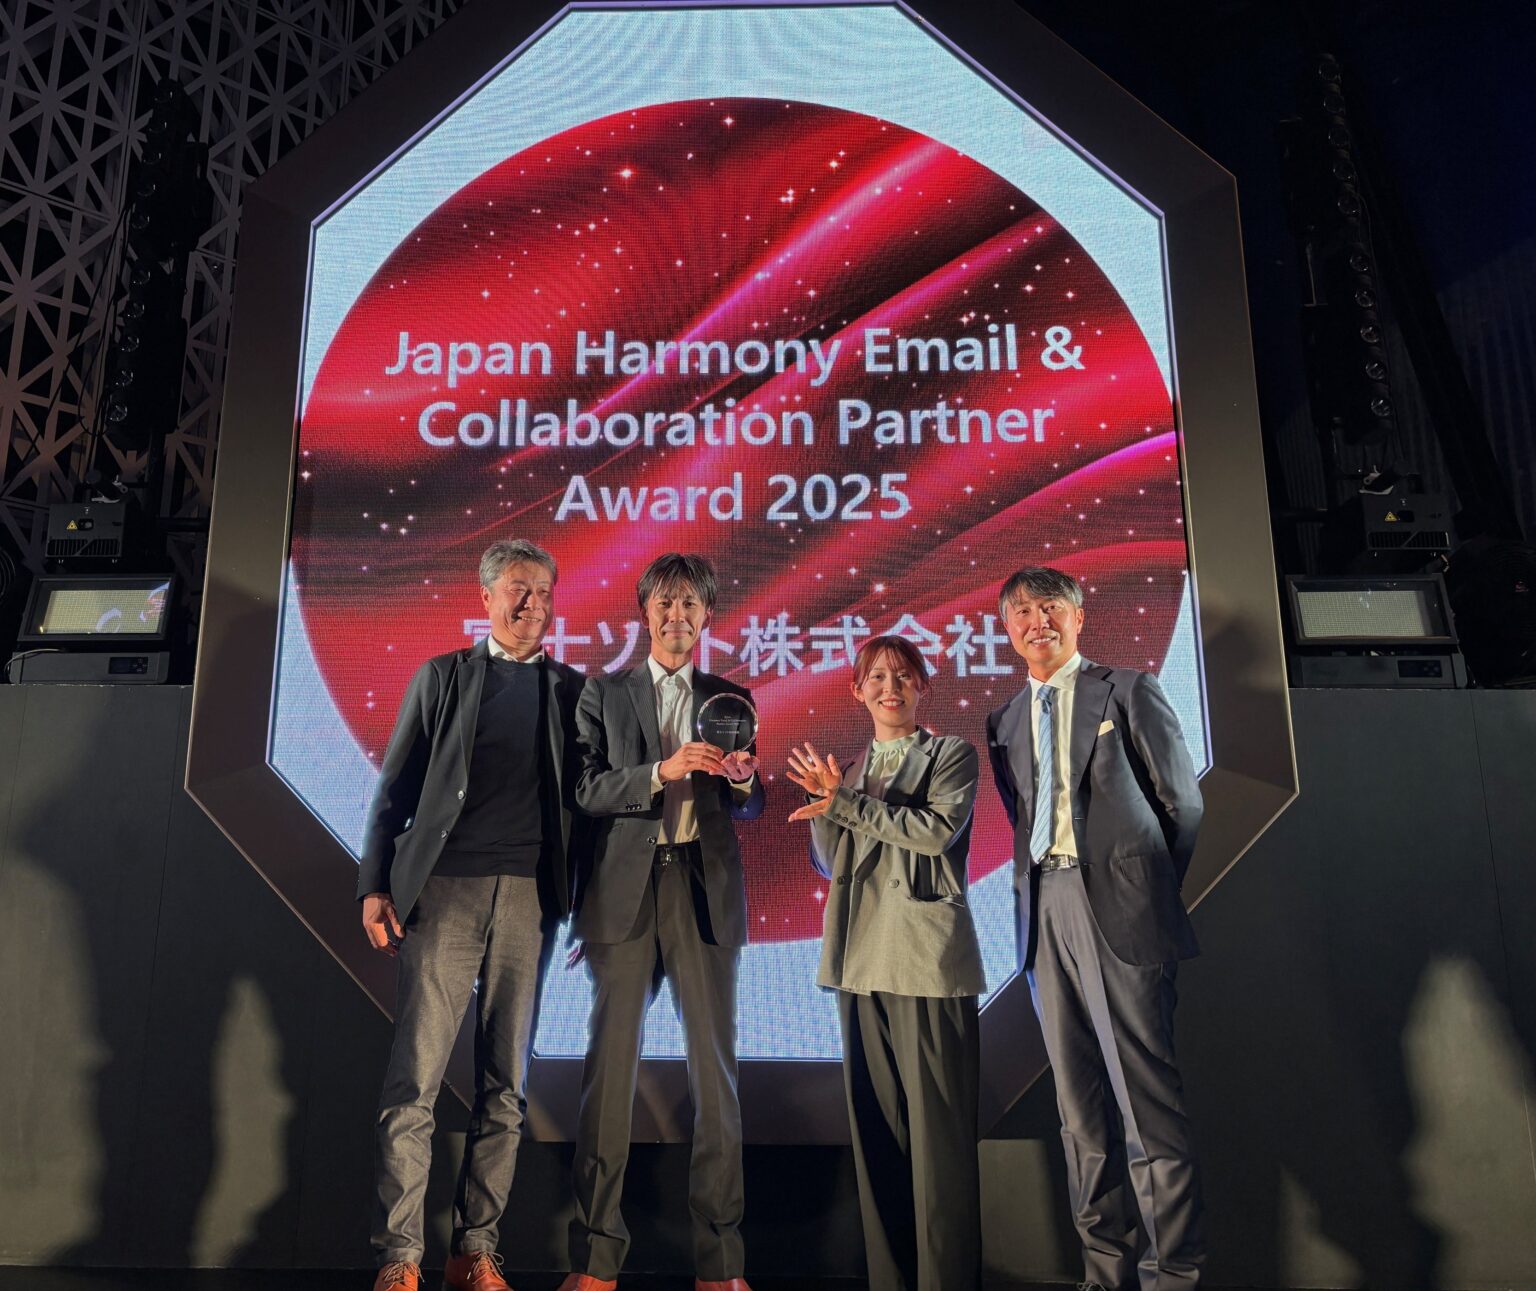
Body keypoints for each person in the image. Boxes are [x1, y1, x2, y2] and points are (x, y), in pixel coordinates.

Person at [358, 539, 586, 1291]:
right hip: (444, 893)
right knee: (415, 1083)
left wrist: (588, 905)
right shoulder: (443, 677)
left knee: (505, 1088)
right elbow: (395, 790)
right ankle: (399, 1259)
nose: (533, 603)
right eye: (518, 589)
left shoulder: (572, 691)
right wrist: (375, 884)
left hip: (530, 900)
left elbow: (589, 808)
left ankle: (473, 1250)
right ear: (486, 596)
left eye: (544, 591)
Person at [985, 566, 1206, 1291]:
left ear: (1078, 616)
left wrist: (1143, 890)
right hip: (1043, 914)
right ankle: (1104, 1274)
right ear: (1007, 629)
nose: (1036, 621)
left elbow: (1182, 806)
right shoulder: (1004, 720)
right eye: (1022, 612)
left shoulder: (1129, 690)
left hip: (1122, 911)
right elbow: (1022, 817)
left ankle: (1172, 1274)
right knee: (1078, 1112)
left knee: (1147, 1107)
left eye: (1050, 607)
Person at [560, 553, 763, 1291]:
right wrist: (660, 772)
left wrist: (742, 781)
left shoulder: (730, 698)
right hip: (623, 893)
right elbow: (585, 787)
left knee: (717, 1079)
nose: (677, 617)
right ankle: (595, 1260)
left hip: (703, 893)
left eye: (690, 605)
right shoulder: (604, 692)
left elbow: (750, 804)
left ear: (707, 615)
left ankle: (721, 1264)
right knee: (607, 1078)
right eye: (665, 604)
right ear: (644, 611)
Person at [786, 634, 986, 1291]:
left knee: (939, 1144)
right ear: (857, 691)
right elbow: (830, 863)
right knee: (878, 1138)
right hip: (859, 957)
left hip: (925, 960)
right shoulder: (849, 768)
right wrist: (826, 810)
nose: (889, 687)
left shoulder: (950, 754)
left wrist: (842, 803)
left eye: (902, 675)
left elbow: (934, 833)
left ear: (922, 684)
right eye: (875, 677)